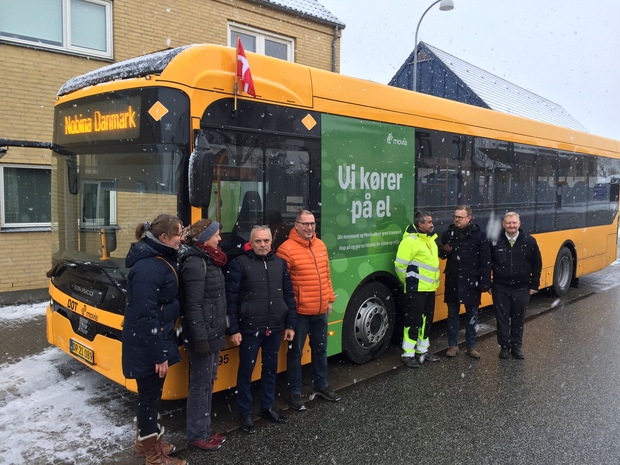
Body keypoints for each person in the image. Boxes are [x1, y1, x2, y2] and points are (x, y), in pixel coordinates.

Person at [122, 214, 186, 465]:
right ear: (164, 238)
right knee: (149, 399)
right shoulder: (149, 267)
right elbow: (147, 316)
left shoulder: (157, 258)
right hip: (148, 345)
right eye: (179, 234)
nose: (182, 238)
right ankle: (154, 457)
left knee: (148, 397)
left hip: (151, 340)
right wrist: (159, 356)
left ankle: (144, 443)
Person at [225, 225, 297, 434]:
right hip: (249, 329)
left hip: (274, 328)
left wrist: (290, 324)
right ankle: (245, 414)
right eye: (258, 241)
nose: (263, 245)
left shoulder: (280, 264)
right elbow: (231, 300)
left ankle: (267, 407)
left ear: (271, 242)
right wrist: (233, 329)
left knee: (270, 370)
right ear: (251, 242)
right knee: (246, 373)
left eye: (266, 241)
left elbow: (288, 296)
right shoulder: (240, 264)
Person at [277, 210, 340, 411]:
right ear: (295, 225)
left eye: (312, 223)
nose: (310, 227)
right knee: (295, 354)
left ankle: (321, 385)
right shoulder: (286, 249)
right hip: (300, 313)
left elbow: (326, 275)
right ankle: (294, 393)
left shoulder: (320, 245)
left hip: (320, 311)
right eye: (305, 224)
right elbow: (282, 286)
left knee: (320, 350)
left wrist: (329, 299)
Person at [178, 219, 228, 451]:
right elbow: (193, 306)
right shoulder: (196, 263)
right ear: (204, 238)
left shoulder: (209, 258)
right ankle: (197, 434)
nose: (219, 238)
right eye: (216, 234)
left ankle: (204, 429)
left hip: (212, 331)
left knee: (208, 381)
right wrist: (200, 339)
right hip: (204, 335)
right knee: (201, 385)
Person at [439, 205, 492, 359]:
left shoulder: (479, 235)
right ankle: (453, 346)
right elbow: (442, 256)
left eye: (460, 217)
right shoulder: (448, 234)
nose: (456, 219)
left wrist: (485, 282)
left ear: (469, 218)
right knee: (453, 314)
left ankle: (471, 346)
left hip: (472, 281)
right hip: (453, 279)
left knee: (472, 315)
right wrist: (444, 251)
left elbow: (486, 260)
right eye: (455, 216)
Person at [489, 212, 542, 359]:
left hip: (522, 287)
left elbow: (537, 264)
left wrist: (534, 285)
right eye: (508, 223)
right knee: (502, 318)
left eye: (514, 223)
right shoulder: (495, 241)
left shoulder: (529, 241)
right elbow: (487, 263)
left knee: (518, 318)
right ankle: (504, 346)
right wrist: (487, 283)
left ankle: (516, 346)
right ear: (503, 224)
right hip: (500, 286)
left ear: (519, 224)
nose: (511, 226)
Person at [394, 211, 441, 368]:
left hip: (429, 288)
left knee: (426, 321)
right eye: (429, 222)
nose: (432, 224)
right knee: (412, 322)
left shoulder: (429, 240)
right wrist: (408, 283)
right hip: (416, 289)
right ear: (420, 224)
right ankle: (408, 353)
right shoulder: (410, 241)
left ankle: (422, 351)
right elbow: (400, 265)